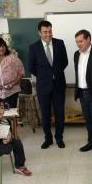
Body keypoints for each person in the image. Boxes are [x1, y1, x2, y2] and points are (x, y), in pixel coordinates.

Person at [29, 20, 68, 149]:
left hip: (58, 85)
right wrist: (45, 76)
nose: (48, 34)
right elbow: (31, 67)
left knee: (59, 114)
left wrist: (54, 73)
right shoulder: (33, 47)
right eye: (45, 32)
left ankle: (59, 138)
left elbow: (65, 62)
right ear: (39, 32)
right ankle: (48, 138)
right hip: (43, 86)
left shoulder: (59, 43)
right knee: (45, 114)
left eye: (50, 31)